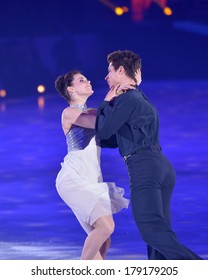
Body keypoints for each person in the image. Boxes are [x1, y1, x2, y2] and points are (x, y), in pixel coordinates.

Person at [95, 50, 202, 260]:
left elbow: (104, 131)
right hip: (161, 167)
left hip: (144, 168)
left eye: (109, 71)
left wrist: (106, 102)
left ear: (121, 70)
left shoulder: (126, 100)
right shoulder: (139, 98)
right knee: (160, 235)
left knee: (151, 231)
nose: (106, 77)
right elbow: (111, 139)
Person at [54, 70, 129, 260]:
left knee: (105, 240)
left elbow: (109, 119)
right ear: (71, 89)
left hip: (91, 179)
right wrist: (109, 97)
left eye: (87, 78)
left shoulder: (92, 110)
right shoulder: (69, 112)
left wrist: (122, 94)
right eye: (81, 80)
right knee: (106, 227)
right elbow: (99, 123)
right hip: (74, 179)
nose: (88, 81)